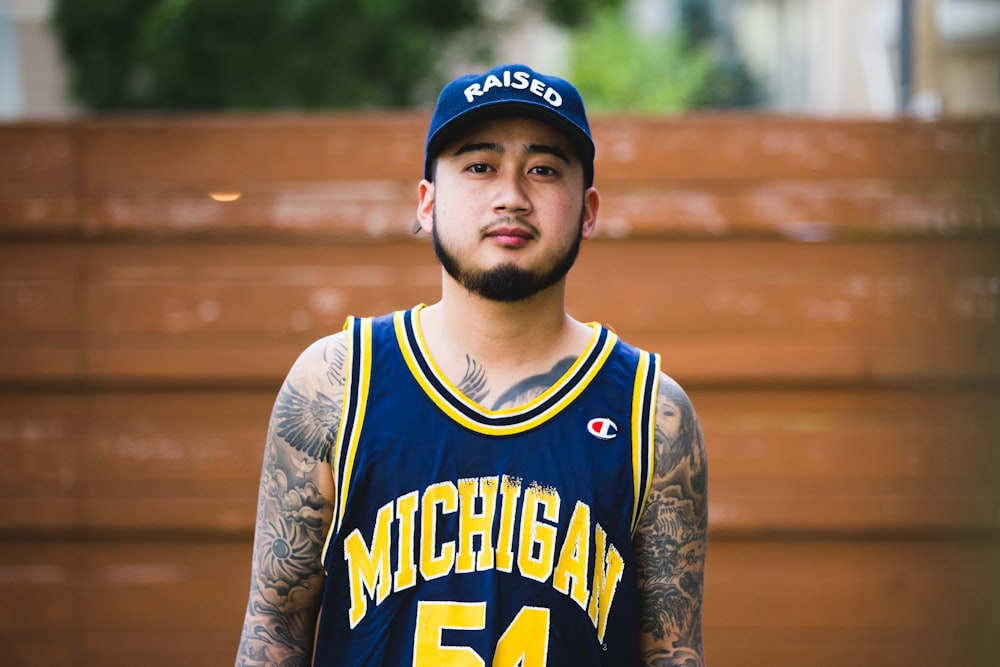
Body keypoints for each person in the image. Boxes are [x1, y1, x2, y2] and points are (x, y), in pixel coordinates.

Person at [235, 63, 708, 667]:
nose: (511, 196)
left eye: (543, 169)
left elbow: (673, 654)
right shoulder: (336, 383)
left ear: (588, 210)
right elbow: (273, 633)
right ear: (427, 202)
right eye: (479, 166)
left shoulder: (652, 416)